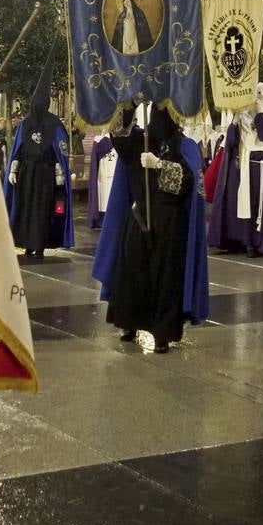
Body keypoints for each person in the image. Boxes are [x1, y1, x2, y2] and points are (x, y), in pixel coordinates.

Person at [94, 105, 208, 354]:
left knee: (165, 280)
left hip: (170, 224)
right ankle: (129, 323)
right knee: (133, 274)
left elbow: (189, 181)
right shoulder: (138, 140)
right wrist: (129, 104)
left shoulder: (183, 145)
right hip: (139, 217)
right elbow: (118, 134)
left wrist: (160, 165)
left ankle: (162, 334)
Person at [4, 51, 73, 261]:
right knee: (25, 208)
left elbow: (60, 150)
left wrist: (60, 173)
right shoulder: (25, 123)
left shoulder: (54, 124)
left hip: (45, 175)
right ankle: (26, 244)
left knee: (43, 210)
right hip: (26, 174)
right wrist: (13, 169)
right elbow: (18, 148)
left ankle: (40, 245)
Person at [208, 83, 263, 257]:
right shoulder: (243, 114)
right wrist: (235, 121)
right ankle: (241, 240)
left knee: (257, 205)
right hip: (242, 165)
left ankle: (257, 242)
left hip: (261, 167)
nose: (260, 95)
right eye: (257, 92)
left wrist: (259, 113)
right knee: (241, 204)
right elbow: (230, 142)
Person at [86, 132, 117, 230]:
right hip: (104, 172)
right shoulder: (99, 139)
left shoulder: (100, 140)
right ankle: (103, 219)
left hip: (110, 170)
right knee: (105, 195)